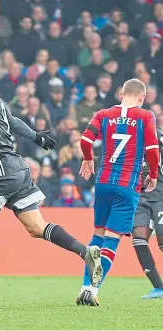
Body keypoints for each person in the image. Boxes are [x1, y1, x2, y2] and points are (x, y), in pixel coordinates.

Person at [0, 58, 102, 305]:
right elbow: (14, 121)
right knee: (36, 228)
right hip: (20, 170)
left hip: (1, 173)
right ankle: (86, 253)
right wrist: (37, 138)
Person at [77, 78, 160, 306]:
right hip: (127, 185)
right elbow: (152, 149)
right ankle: (92, 290)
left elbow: (85, 140)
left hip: (103, 183)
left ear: (121, 94)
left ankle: (85, 285)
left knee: (97, 235)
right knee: (111, 241)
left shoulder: (104, 114)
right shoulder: (145, 116)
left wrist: (87, 159)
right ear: (141, 98)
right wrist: (153, 174)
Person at [132, 127, 163, 299]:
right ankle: (159, 287)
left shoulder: (158, 138)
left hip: (160, 196)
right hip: (140, 198)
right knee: (138, 239)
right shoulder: (130, 145)